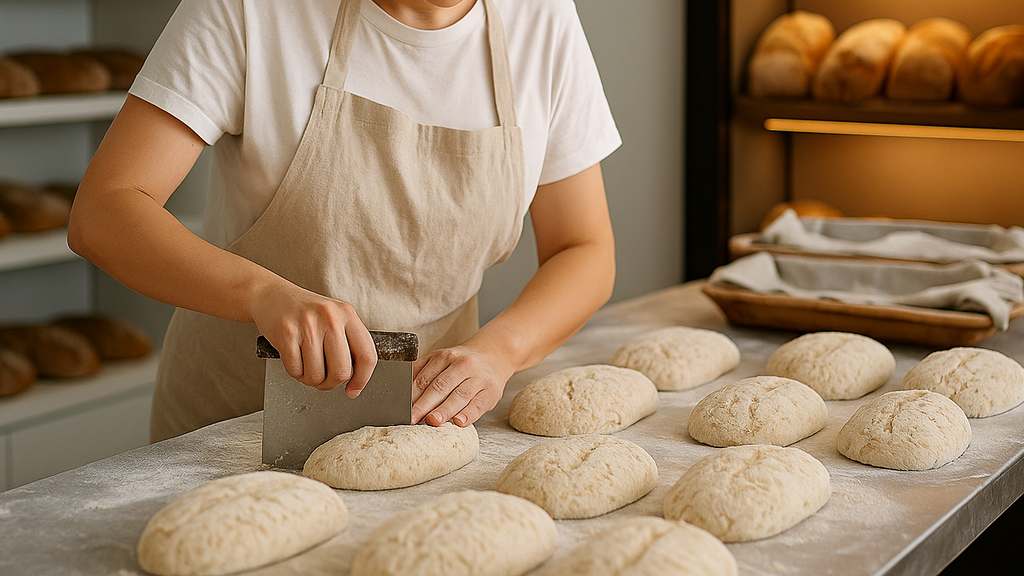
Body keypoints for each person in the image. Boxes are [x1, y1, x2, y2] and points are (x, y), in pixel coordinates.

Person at [67, 0, 620, 442]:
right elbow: (105, 210)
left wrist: (499, 351)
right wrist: (262, 293)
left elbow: (583, 248)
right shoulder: (250, 11)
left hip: (427, 428)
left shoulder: (543, 18)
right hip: (234, 428)